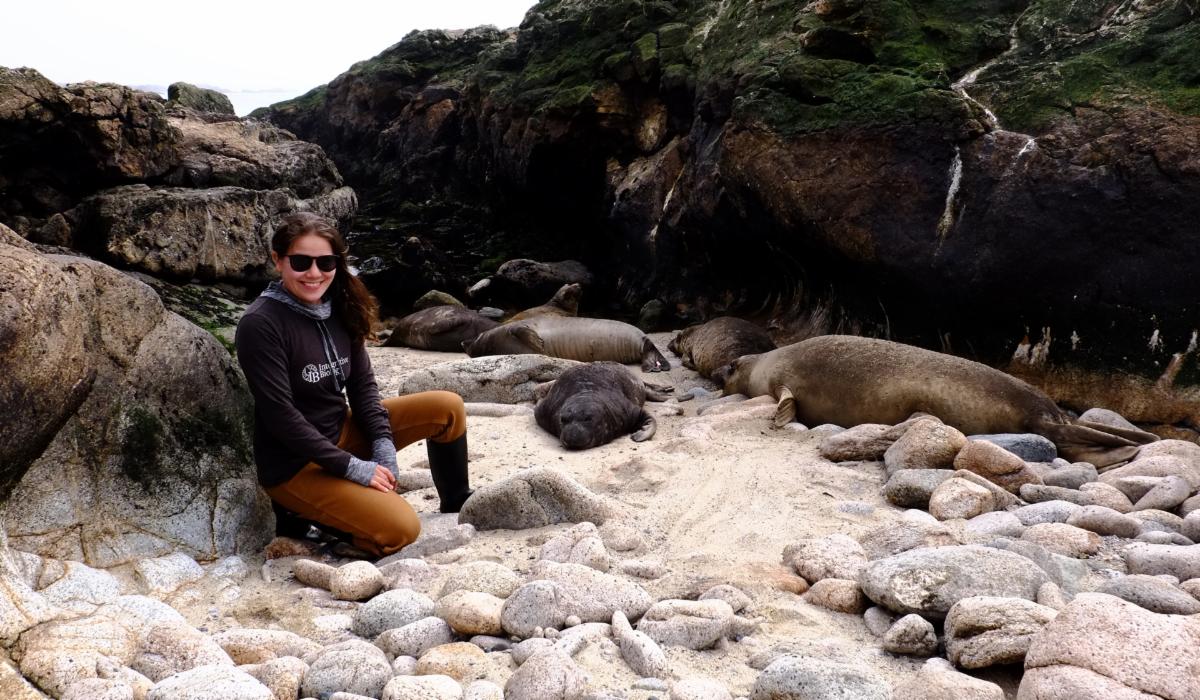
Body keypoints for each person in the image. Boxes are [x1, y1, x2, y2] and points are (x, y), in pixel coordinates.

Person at [235, 212, 472, 557]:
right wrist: (353, 469)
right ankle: (303, 515)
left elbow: (362, 387)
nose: (314, 273)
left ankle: (456, 502)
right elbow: (280, 417)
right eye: (301, 262)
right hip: (295, 464)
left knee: (447, 407)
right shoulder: (261, 324)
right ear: (277, 260)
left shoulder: (341, 306)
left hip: (341, 432)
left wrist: (382, 445)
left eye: (326, 262)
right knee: (401, 530)